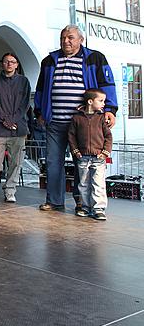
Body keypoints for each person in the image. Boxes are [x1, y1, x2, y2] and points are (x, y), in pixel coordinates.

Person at [34, 25, 117, 211]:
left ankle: (82, 202)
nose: (66, 41)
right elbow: (40, 89)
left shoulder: (95, 58)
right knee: (53, 163)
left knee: (83, 164)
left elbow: (107, 84)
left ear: (81, 39)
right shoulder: (49, 61)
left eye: (70, 37)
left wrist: (110, 109)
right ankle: (54, 201)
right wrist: (39, 112)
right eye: (63, 37)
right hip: (55, 122)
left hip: (84, 124)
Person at [0, 52, 31, 203]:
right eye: (6, 61)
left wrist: (13, 120)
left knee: (15, 163)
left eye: (12, 61)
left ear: (17, 64)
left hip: (19, 129)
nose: (9, 64)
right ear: (2, 64)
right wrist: (5, 120)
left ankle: (10, 190)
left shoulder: (24, 81)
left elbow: (25, 104)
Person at [68, 88, 113, 220]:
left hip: (99, 158)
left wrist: (105, 152)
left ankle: (98, 208)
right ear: (90, 101)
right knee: (83, 183)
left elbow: (108, 137)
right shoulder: (77, 118)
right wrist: (75, 151)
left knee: (98, 183)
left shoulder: (101, 118)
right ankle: (85, 207)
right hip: (82, 157)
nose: (104, 104)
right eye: (101, 101)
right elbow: (71, 136)